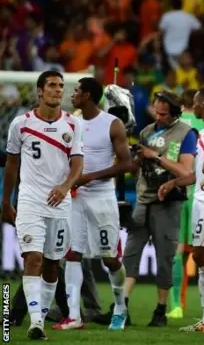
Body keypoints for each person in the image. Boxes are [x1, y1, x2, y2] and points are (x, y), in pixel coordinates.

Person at [2, 70, 84, 340]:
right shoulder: (21, 123)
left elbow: (77, 163)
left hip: (59, 203)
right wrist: (6, 200)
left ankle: (42, 314)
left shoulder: (72, 124)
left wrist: (66, 186)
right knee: (33, 258)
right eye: (52, 85)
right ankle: (35, 321)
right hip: (29, 200)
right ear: (39, 91)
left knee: (52, 264)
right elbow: (12, 164)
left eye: (61, 86)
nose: (58, 90)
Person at [51, 77, 131, 331]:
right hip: (76, 199)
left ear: (87, 95)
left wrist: (89, 177)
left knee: (110, 259)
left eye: (76, 91)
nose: (72, 94)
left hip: (102, 198)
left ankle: (120, 306)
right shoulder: (69, 123)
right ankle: (74, 316)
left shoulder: (112, 124)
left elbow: (126, 163)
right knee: (72, 254)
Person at [122, 91, 197, 326]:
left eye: (164, 113)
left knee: (165, 257)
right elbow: (135, 168)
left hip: (169, 202)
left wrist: (155, 156)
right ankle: (120, 305)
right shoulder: (146, 132)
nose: (159, 116)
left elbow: (187, 172)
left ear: (174, 112)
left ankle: (160, 310)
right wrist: (133, 155)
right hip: (144, 199)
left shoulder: (186, 133)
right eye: (156, 111)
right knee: (130, 254)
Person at [157, 86, 204, 332]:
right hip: (198, 200)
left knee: (203, 255)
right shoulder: (203, 133)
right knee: (200, 255)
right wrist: (174, 182)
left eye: (195, 102)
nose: (191, 107)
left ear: (203, 103)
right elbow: (195, 173)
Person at [168, 89, 204, 319]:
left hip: (178, 191)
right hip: (201, 193)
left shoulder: (176, 125)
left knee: (177, 253)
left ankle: (176, 305)